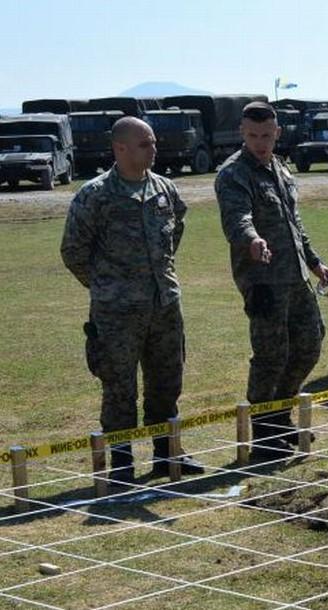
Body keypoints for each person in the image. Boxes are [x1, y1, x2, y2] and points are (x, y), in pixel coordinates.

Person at [61, 116, 205, 486]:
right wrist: (107, 287)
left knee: (166, 381)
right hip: (116, 312)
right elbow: (74, 251)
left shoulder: (164, 189)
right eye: (145, 144)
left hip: (164, 305)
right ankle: (122, 462)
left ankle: (166, 452)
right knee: (119, 386)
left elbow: (177, 231)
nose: (153, 149)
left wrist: (157, 277)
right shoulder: (95, 195)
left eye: (154, 142)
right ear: (120, 148)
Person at [215, 102, 328, 460]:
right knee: (270, 355)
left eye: (266, 135)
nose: (260, 142)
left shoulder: (282, 171)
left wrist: (315, 263)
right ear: (242, 133)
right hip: (263, 281)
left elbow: (295, 226)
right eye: (252, 135)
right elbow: (237, 217)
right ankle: (264, 435)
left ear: (277, 133)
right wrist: (251, 240)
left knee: (309, 345)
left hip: (296, 276)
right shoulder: (233, 173)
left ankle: (279, 415)